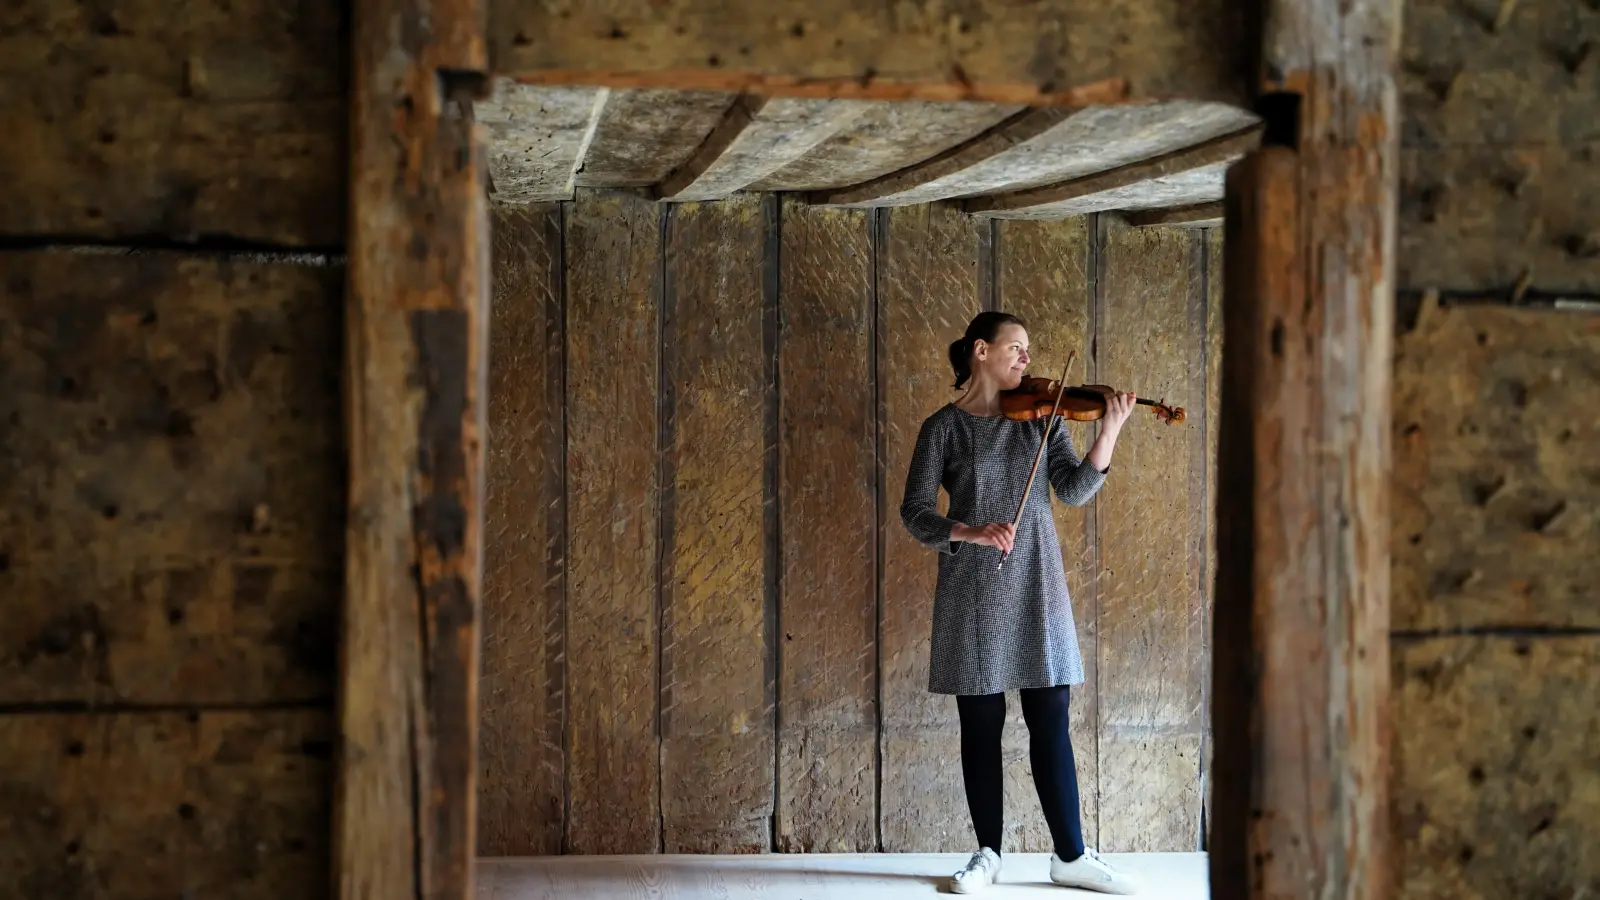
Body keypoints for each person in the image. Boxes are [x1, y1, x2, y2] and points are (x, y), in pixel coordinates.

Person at [899, 311, 1139, 895]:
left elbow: (1074, 490)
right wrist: (969, 530)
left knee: (1049, 715)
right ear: (981, 351)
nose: (1027, 359)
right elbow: (916, 513)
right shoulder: (944, 428)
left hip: (1035, 583)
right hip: (973, 590)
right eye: (1016, 348)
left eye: (1030, 350)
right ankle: (987, 854)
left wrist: (1107, 433)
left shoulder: (1042, 419)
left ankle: (1072, 856)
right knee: (981, 724)